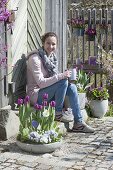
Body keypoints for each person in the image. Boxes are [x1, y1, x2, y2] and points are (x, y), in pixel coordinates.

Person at [27, 32, 95, 133]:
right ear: (43, 43)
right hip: (36, 96)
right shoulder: (35, 59)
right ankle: (57, 112)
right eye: (48, 43)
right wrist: (62, 76)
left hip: (47, 93)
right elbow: (41, 83)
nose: (51, 46)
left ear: (56, 45)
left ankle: (78, 123)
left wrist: (67, 78)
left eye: (53, 44)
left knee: (71, 87)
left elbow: (54, 81)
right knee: (62, 80)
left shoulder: (51, 58)